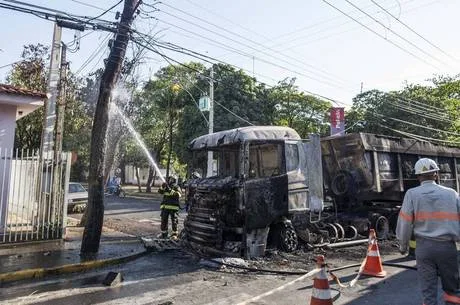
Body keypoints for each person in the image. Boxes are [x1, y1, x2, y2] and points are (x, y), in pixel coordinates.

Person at [396, 158, 460, 305]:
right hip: (447, 247)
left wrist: (403, 245)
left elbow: (405, 223)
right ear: (436, 174)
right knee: (453, 291)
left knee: (428, 292)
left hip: (424, 248)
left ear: (418, 176)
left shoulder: (412, 194)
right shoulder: (452, 194)